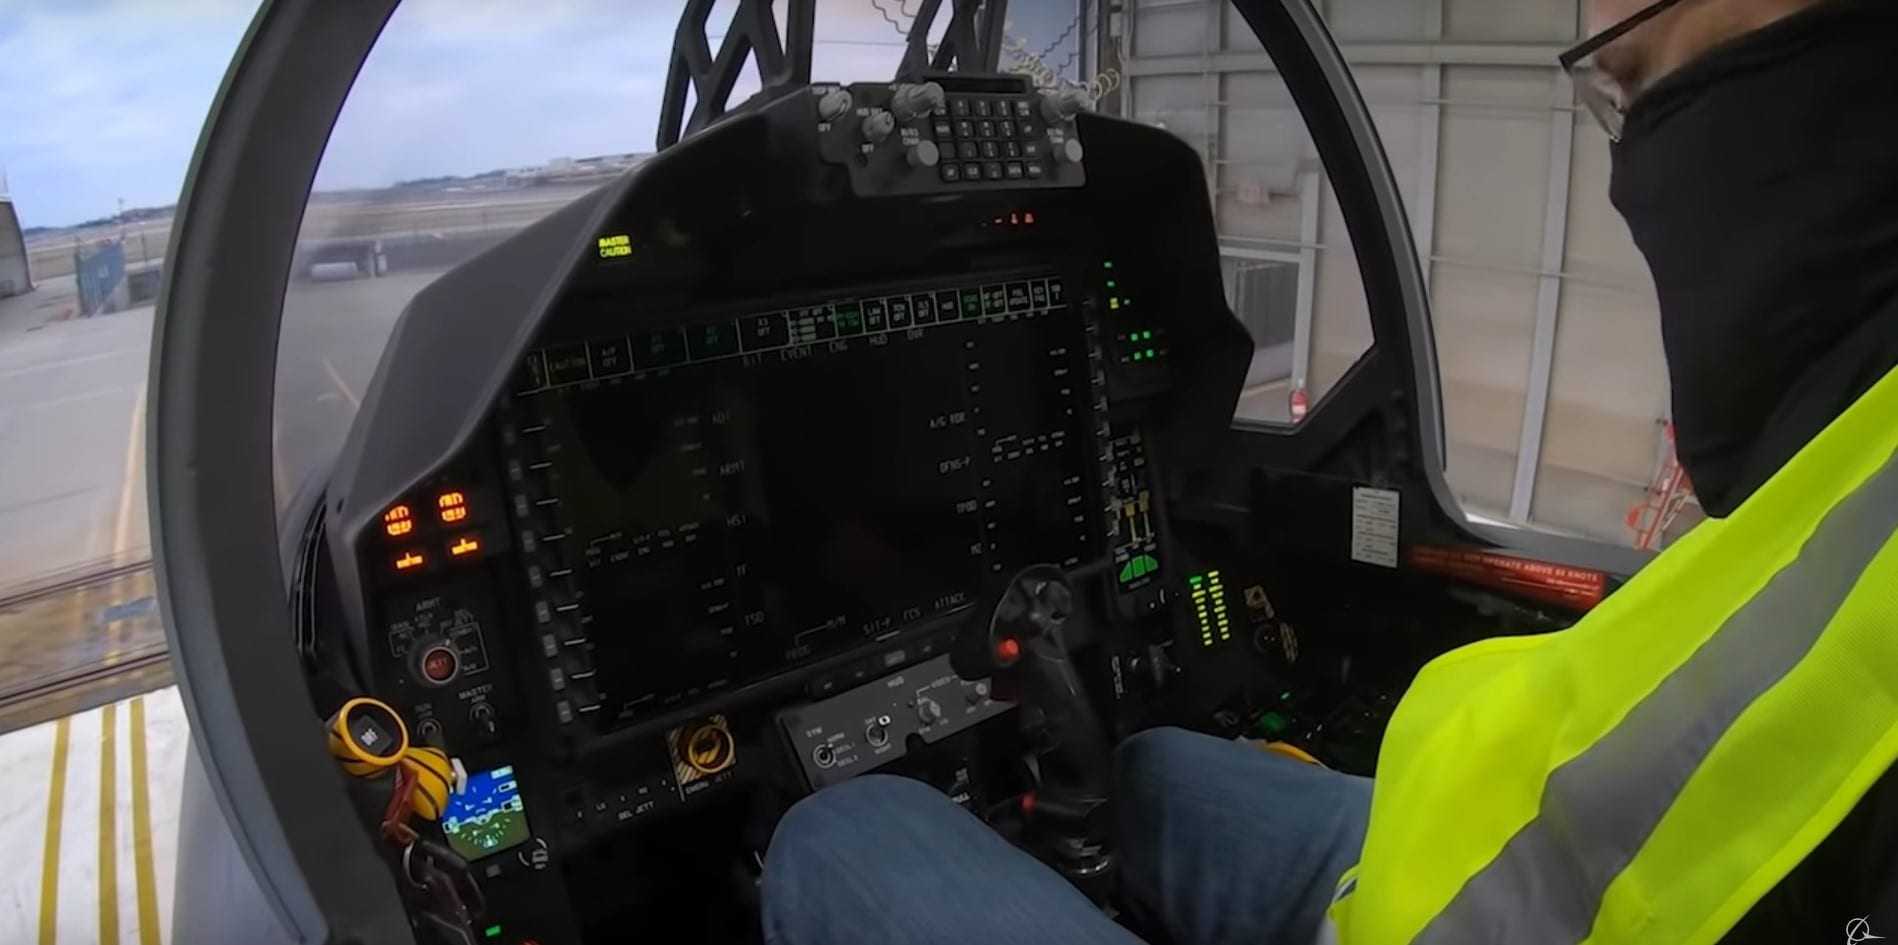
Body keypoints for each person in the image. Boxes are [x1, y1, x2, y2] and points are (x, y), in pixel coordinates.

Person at [761, 0, 1898, 942]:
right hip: (1463, 858)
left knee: (837, 835)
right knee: (1143, 769)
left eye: (1638, 79)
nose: (1626, 160)